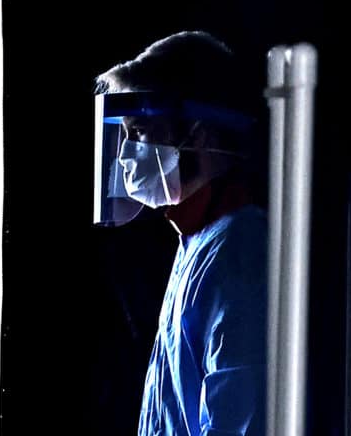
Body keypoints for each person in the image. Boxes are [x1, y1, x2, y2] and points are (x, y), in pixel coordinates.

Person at [93, 31, 267, 436]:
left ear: (199, 135)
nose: (124, 155)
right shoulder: (199, 241)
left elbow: (241, 423)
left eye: (138, 134)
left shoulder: (240, 255)